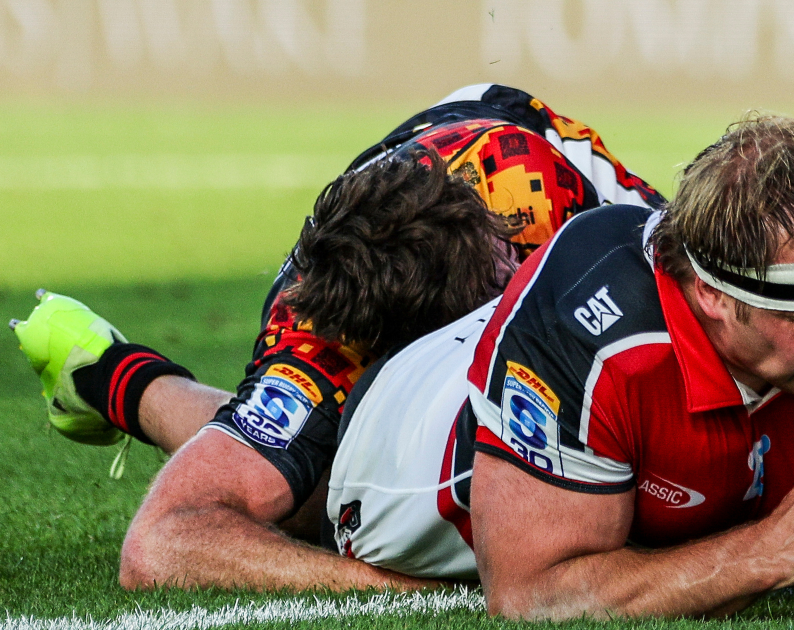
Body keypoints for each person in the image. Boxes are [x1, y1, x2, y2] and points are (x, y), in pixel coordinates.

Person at [321, 115, 794, 619]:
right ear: (712, 298)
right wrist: (777, 550)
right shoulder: (592, 334)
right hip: (402, 448)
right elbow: (528, 596)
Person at [10, 84, 663, 591]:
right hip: (374, 275)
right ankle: (104, 370)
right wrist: (388, 587)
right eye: (501, 288)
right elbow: (160, 545)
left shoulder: (562, 208)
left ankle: (106, 370)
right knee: (318, 495)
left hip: (514, 142)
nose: (515, 276)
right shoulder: (315, 338)